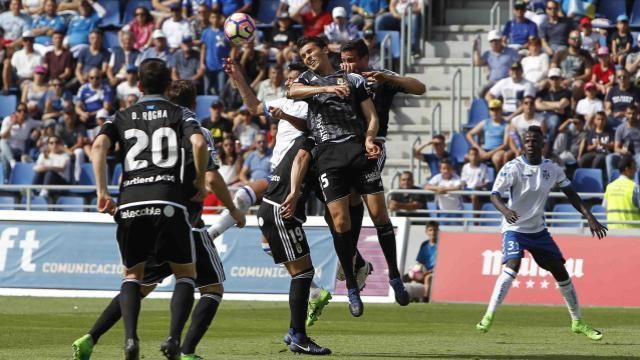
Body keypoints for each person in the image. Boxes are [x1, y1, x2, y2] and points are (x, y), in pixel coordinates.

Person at [72, 79, 245, 360]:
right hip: (185, 222)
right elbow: (212, 177)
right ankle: (185, 350)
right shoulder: (193, 129)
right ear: (193, 103)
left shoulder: (144, 126)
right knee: (211, 288)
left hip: (144, 214)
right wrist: (234, 210)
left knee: (137, 285)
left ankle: (91, 337)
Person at [90, 59, 208, 359]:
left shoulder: (121, 115)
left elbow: (98, 147)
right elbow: (199, 143)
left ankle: (130, 340)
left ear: (138, 85)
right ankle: (172, 339)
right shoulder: (179, 112)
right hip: (168, 200)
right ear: (169, 83)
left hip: (131, 203)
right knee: (185, 274)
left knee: (132, 275)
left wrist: (102, 191)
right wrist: (198, 179)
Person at [289, 36, 410, 316]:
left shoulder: (353, 80)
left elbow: (372, 117)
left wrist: (369, 138)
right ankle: (352, 289)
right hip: (328, 155)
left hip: (357, 147)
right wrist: (329, 87)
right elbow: (292, 91)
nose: (307, 57)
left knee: (380, 215)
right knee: (340, 222)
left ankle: (394, 274)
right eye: (302, 53)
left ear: (324, 50)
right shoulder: (305, 80)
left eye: (310, 51)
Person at [476, 125, 607, 340]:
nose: (530, 144)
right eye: (527, 141)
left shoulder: (552, 168)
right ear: (523, 144)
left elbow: (571, 194)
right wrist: (506, 211)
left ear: (542, 143)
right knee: (513, 264)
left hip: (538, 231)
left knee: (560, 271)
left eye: (534, 141)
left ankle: (577, 321)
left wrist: (590, 216)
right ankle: (488, 315)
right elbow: (494, 195)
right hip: (515, 228)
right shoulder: (513, 167)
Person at [0, 103, 42, 183]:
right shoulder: (8, 120)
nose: (22, 113)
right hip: (8, 150)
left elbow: (44, 123)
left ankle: (7, 179)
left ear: (27, 113)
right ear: (16, 112)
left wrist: (39, 130)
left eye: (24, 111)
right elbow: (2, 136)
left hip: (19, 151)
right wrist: (11, 124)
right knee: (2, 144)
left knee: (3, 154)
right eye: (19, 111)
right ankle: (11, 165)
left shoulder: (29, 122)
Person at [466, 99, 511, 170]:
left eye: (497, 109)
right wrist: (478, 148)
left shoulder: (506, 125)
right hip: (485, 149)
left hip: (498, 150)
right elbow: (469, 134)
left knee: (497, 158)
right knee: (468, 157)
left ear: (501, 110)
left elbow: (505, 145)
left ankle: (499, 178)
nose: (494, 112)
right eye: (492, 109)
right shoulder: (485, 122)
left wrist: (489, 154)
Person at [473, 30, 520, 95]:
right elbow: (478, 63)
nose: (494, 43)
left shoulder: (511, 51)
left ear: (501, 40)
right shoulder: (488, 54)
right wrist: (476, 50)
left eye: (496, 40)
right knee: (481, 90)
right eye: (491, 41)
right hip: (492, 82)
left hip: (507, 81)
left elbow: (518, 64)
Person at [403, 221, 438, 302]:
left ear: (438, 231)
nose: (433, 232)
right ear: (426, 232)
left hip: (435, 273)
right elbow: (420, 262)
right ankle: (407, 297)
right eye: (430, 230)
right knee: (405, 277)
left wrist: (428, 272)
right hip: (425, 271)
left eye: (435, 230)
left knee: (428, 278)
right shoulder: (424, 244)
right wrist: (416, 271)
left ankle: (425, 300)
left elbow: (443, 264)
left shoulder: (441, 244)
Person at [603, 155, 640, 229]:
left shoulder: (609, 187)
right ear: (627, 169)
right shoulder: (635, 187)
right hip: (632, 232)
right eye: (634, 167)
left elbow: (604, 207)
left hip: (612, 231)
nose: (636, 170)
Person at [605, 104, 640, 182]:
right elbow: (616, 148)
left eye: (633, 113)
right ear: (625, 114)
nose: (631, 116)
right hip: (624, 154)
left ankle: (637, 185)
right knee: (610, 158)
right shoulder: (620, 128)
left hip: (638, 154)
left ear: (637, 114)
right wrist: (622, 151)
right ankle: (613, 182)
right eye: (629, 113)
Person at [201, 10, 229, 96]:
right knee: (207, 89)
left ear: (220, 18)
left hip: (221, 66)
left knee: (221, 90)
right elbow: (203, 48)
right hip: (209, 65)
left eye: (217, 17)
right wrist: (202, 63)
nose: (215, 19)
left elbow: (233, 48)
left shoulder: (226, 32)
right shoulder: (206, 32)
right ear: (209, 19)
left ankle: (221, 108)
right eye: (213, 17)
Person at [461, 147, 493, 214]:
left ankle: (475, 219)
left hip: (479, 189)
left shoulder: (484, 167)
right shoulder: (465, 167)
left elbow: (487, 182)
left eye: (475, 154)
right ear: (468, 156)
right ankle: (476, 218)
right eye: (472, 155)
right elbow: (463, 182)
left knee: (475, 195)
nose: (474, 157)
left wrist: (479, 187)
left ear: (478, 156)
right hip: (468, 189)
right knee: (473, 195)